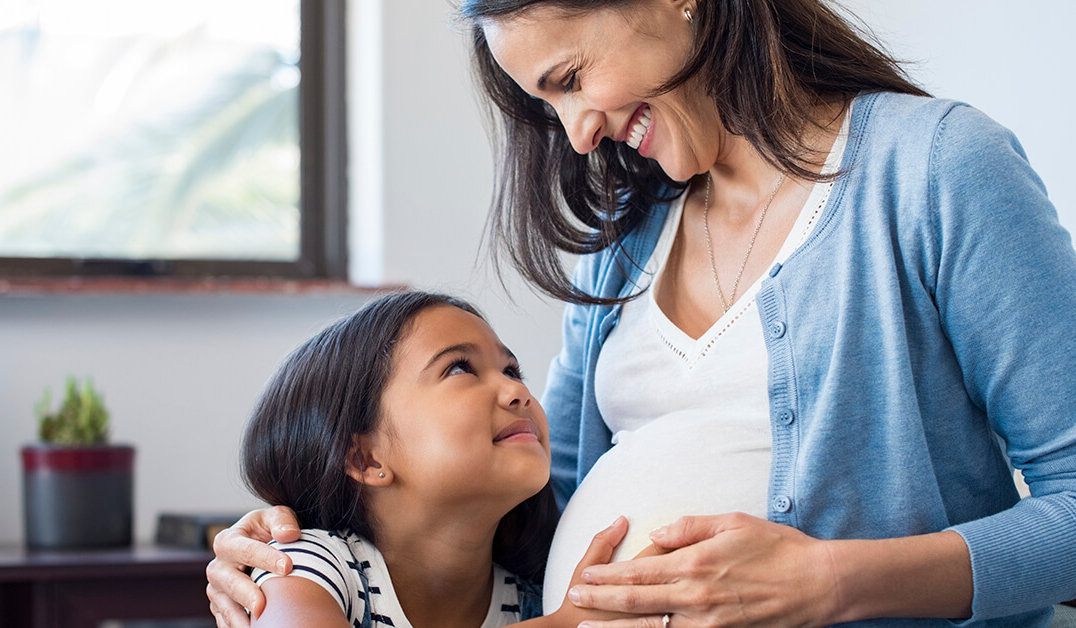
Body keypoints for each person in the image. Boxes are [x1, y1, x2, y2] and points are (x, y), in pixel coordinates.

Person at [207, 1, 1076, 626]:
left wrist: (833, 582)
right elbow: (540, 505)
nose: (577, 133)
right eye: (548, 105)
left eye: (573, 77)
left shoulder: (934, 170)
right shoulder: (623, 243)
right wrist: (307, 544)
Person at [233, 290, 654, 627]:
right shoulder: (306, 565)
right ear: (365, 459)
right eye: (459, 369)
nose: (518, 392)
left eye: (511, 370)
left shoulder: (533, 597)